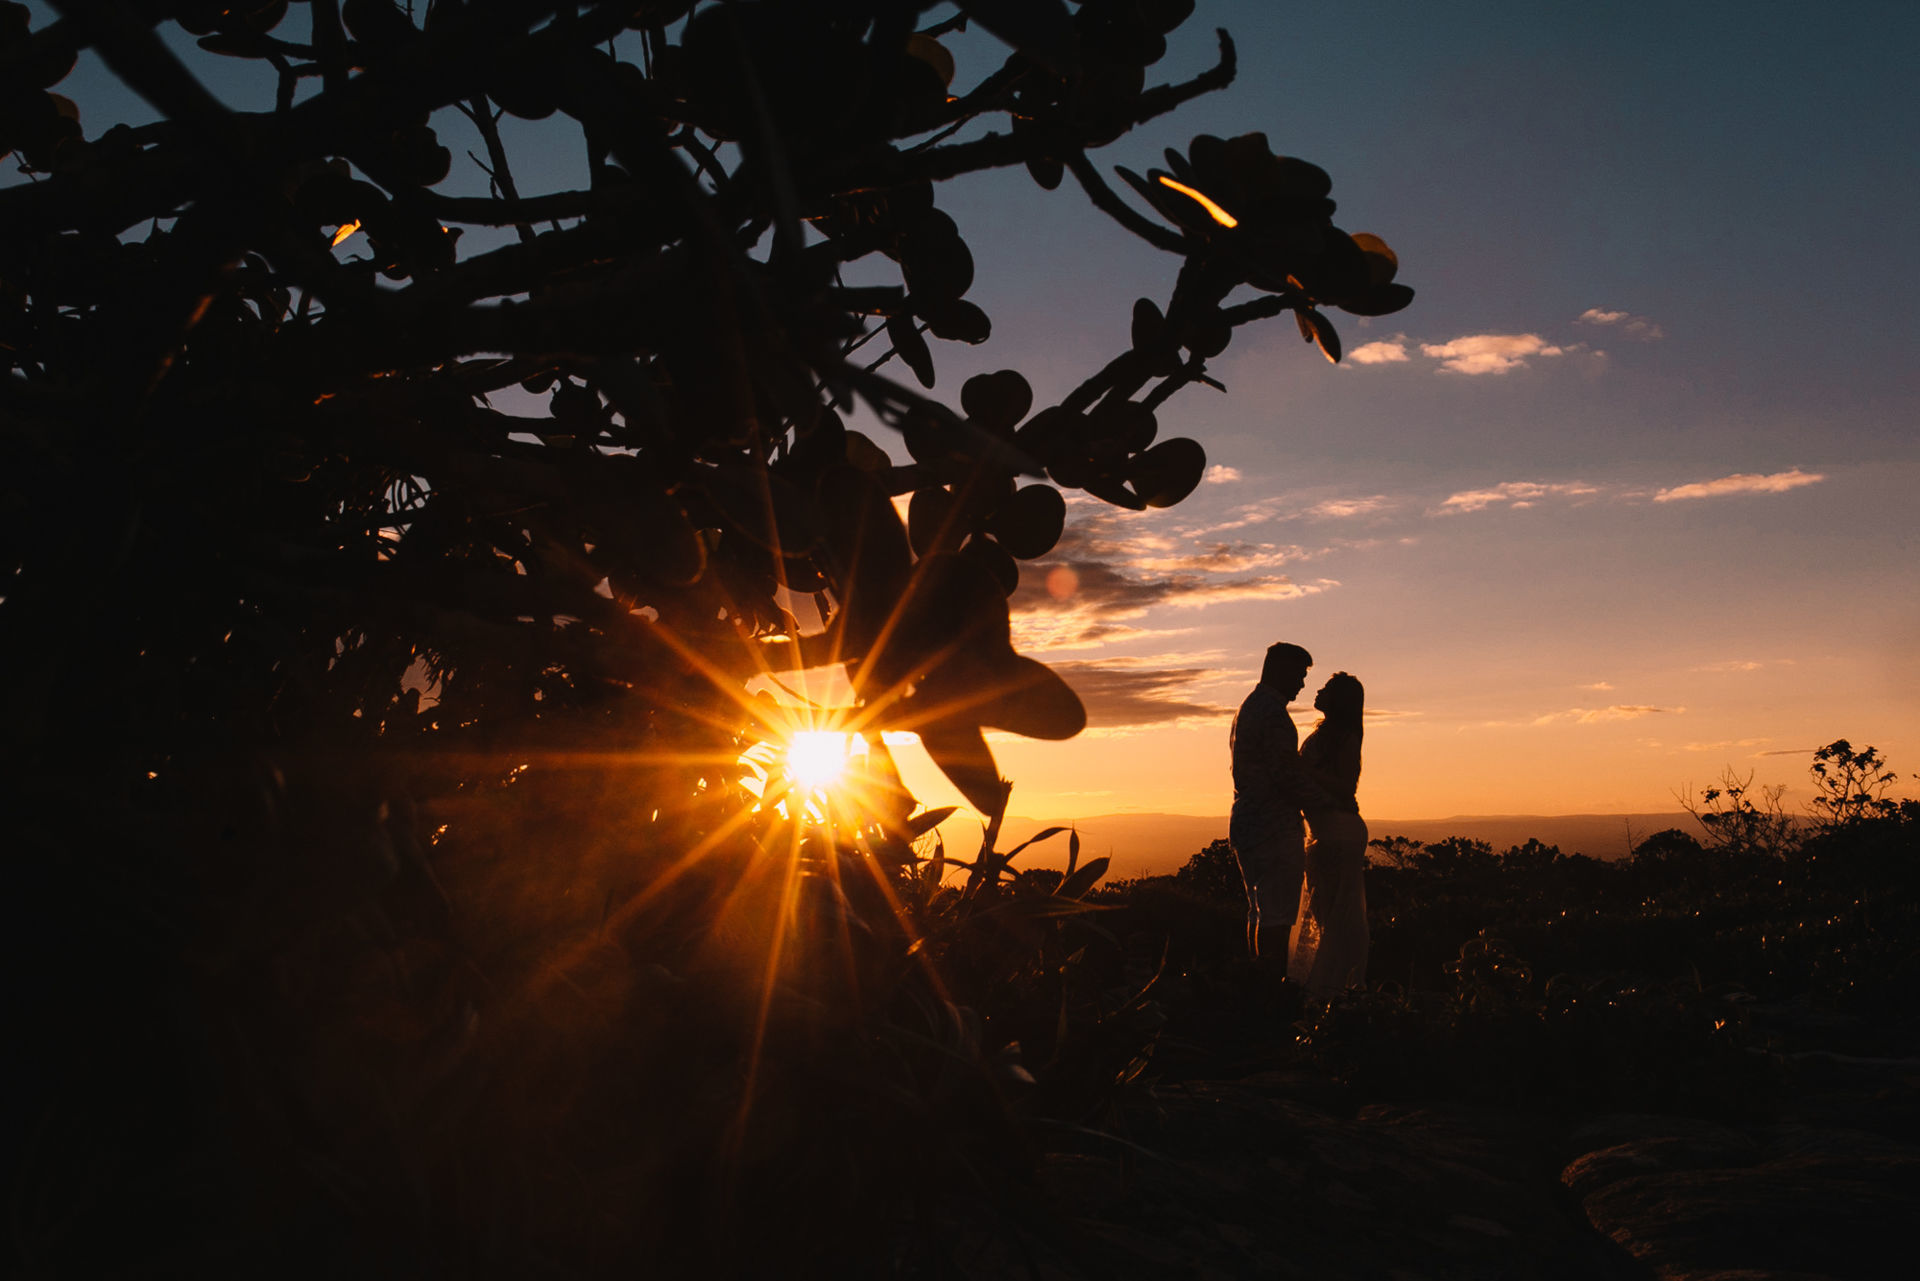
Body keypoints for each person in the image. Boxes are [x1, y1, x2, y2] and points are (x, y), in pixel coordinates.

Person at [1228, 642, 1335, 961]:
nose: (1302, 684)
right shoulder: (1273, 715)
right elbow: (1286, 777)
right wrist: (1326, 805)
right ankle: (1271, 993)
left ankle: (1259, 987)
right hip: (1272, 828)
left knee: (1257, 912)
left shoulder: (1248, 707)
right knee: (1276, 918)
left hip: (1247, 824)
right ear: (1280, 670)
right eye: (1300, 675)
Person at [1288, 672, 1370, 999]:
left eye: (1326, 688)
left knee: (1337, 917)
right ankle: (1333, 988)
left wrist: (1301, 769)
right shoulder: (1325, 734)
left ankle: (1334, 990)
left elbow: (1346, 787)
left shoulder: (1347, 737)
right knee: (1327, 914)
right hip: (1325, 831)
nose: (1318, 690)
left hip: (1339, 832)